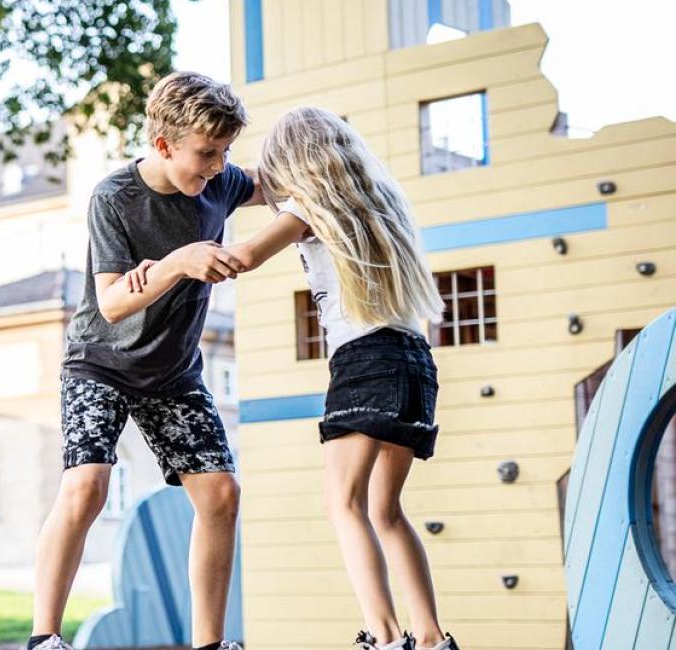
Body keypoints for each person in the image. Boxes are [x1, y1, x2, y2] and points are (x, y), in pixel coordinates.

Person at [27, 70, 263, 650]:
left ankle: (208, 643)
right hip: (100, 362)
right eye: (206, 154)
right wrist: (177, 262)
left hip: (173, 372)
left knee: (222, 496)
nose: (217, 167)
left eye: (225, 153)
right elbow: (110, 302)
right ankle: (44, 637)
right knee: (88, 485)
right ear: (163, 145)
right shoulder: (116, 198)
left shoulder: (220, 183)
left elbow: (282, 189)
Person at [223, 106, 459, 650]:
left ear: (295, 163)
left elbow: (245, 256)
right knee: (386, 510)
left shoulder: (307, 207)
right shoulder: (380, 202)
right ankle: (429, 638)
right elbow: (256, 189)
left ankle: (382, 636)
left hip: (364, 361)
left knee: (343, 504)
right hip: (415, 363)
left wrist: (183, 257)